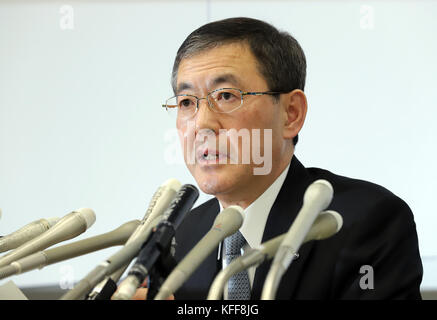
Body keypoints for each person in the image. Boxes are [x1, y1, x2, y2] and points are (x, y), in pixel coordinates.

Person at [162, 17, 423, 300]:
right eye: (187, 102)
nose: (201, 124)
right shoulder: (184, 237)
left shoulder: (366, 222)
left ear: (291, 114)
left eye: (226, 95)